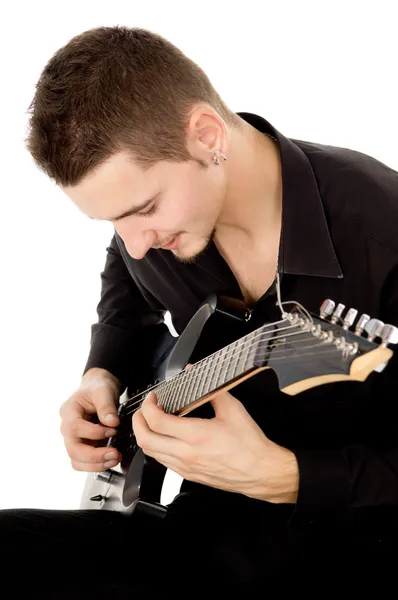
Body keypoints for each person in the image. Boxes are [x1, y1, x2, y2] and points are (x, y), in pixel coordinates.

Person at [2, 24, 398, 597]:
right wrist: (104, 370)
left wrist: (290, 477)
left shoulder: (381, 239)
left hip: (359, 548)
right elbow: (127, 277)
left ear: (207, 136)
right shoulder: (161, 233)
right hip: (203, 541)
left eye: (143, 209)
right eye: (113, 221)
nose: (135, 243)